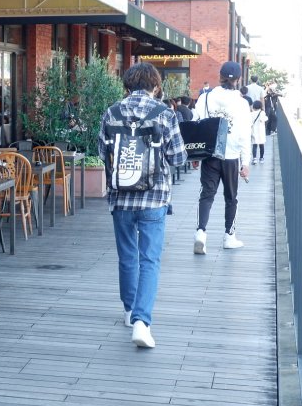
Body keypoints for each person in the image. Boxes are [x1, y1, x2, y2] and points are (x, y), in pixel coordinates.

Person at [98, 63, 186, 349]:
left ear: (127, 86)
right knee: (150, 259)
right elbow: (177, 158)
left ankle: (128, 311)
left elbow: (103, 152)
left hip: (121, 197)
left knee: (127, 256)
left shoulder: (111, 112)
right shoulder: (164, 114)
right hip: (154, 197)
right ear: (156, 86)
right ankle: (142, 321)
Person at [193, 61, 251, 254]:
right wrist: (246, 162)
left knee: (206, 194)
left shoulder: (206, 98)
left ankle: (201, 232)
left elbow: (196, 123)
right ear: (238, 79)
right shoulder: (242, 103)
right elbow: (244, 133)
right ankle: (229, 236)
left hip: (210, 153)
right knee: (231, 198)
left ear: (220, 76)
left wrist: (194, 152)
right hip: (232, 155)